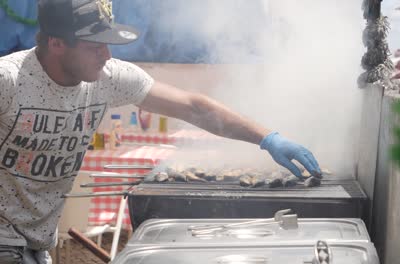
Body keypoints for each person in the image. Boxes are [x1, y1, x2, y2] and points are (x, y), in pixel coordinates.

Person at [0, 0, 321, 263]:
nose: (107, 55)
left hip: (37, 242)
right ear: (56, 43)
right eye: (95, 47)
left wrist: (267, 138)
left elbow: (192, 106)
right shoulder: (9, 80)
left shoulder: (107, 77)